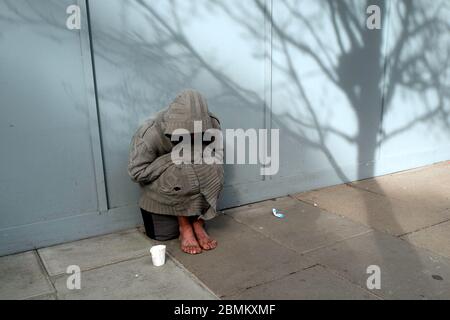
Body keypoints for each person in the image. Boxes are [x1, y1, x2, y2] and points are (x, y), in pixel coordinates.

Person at [128, 89, 224, 255]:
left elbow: (219, 155)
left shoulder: (212, 123)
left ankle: (198, 222)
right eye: (189, 133)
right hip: (163, 190)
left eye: (198, 133)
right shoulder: (150, 132)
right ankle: (185, 225)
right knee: (181, 168)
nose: (195, 138)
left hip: (194, 183)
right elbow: (137, 172)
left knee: (213, 166)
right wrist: (173, 158)